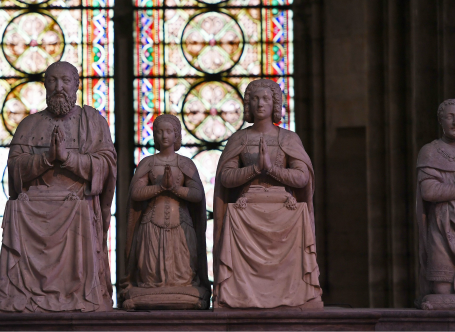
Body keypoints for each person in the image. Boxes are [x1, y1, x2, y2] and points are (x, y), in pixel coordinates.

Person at [0, 61, 117, 313]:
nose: (58, 87)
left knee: (80, 209)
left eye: (65, 81)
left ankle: (79, 295)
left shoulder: (93, 122)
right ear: (44, 85)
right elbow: (14, 171)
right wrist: (47, 158)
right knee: (16, 209)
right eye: (52, 81)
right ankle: (23, 296)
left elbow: (106, 167)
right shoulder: (29, 125)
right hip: (34, 211)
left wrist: (69, 159)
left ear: (76, 84)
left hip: (77, 206)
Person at [212, 79, 322, 309]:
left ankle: (297, 295)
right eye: (255, 99)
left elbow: (302, 178)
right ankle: (239, 296)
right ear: (248, 105)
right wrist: (255, 169)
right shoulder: (239, 139)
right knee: (234, 216)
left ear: (275, 104)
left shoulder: (289, 139)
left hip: (285, 209)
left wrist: (271, 169)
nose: (260, 103)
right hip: (247, 208)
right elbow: (226, 177)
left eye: (265, 99)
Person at [120, 114, 209, 310]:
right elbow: (135, 193)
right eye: (159, 131)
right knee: (150, 272)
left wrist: (175, 189)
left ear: (177, 135)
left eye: (169, 131)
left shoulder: (185, 163)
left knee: (183, 272)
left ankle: (183, 289)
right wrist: (160, 187)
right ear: (154, 135)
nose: (164, 135)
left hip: (181, 225)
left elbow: (197, 195)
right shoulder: (148, 163)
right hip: (151, 224)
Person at [417, 99, 455, 309]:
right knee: (441, 289)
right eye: (450, 116)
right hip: (441, 225)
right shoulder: (430, 151)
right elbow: (429, 191)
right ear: (441, 120)